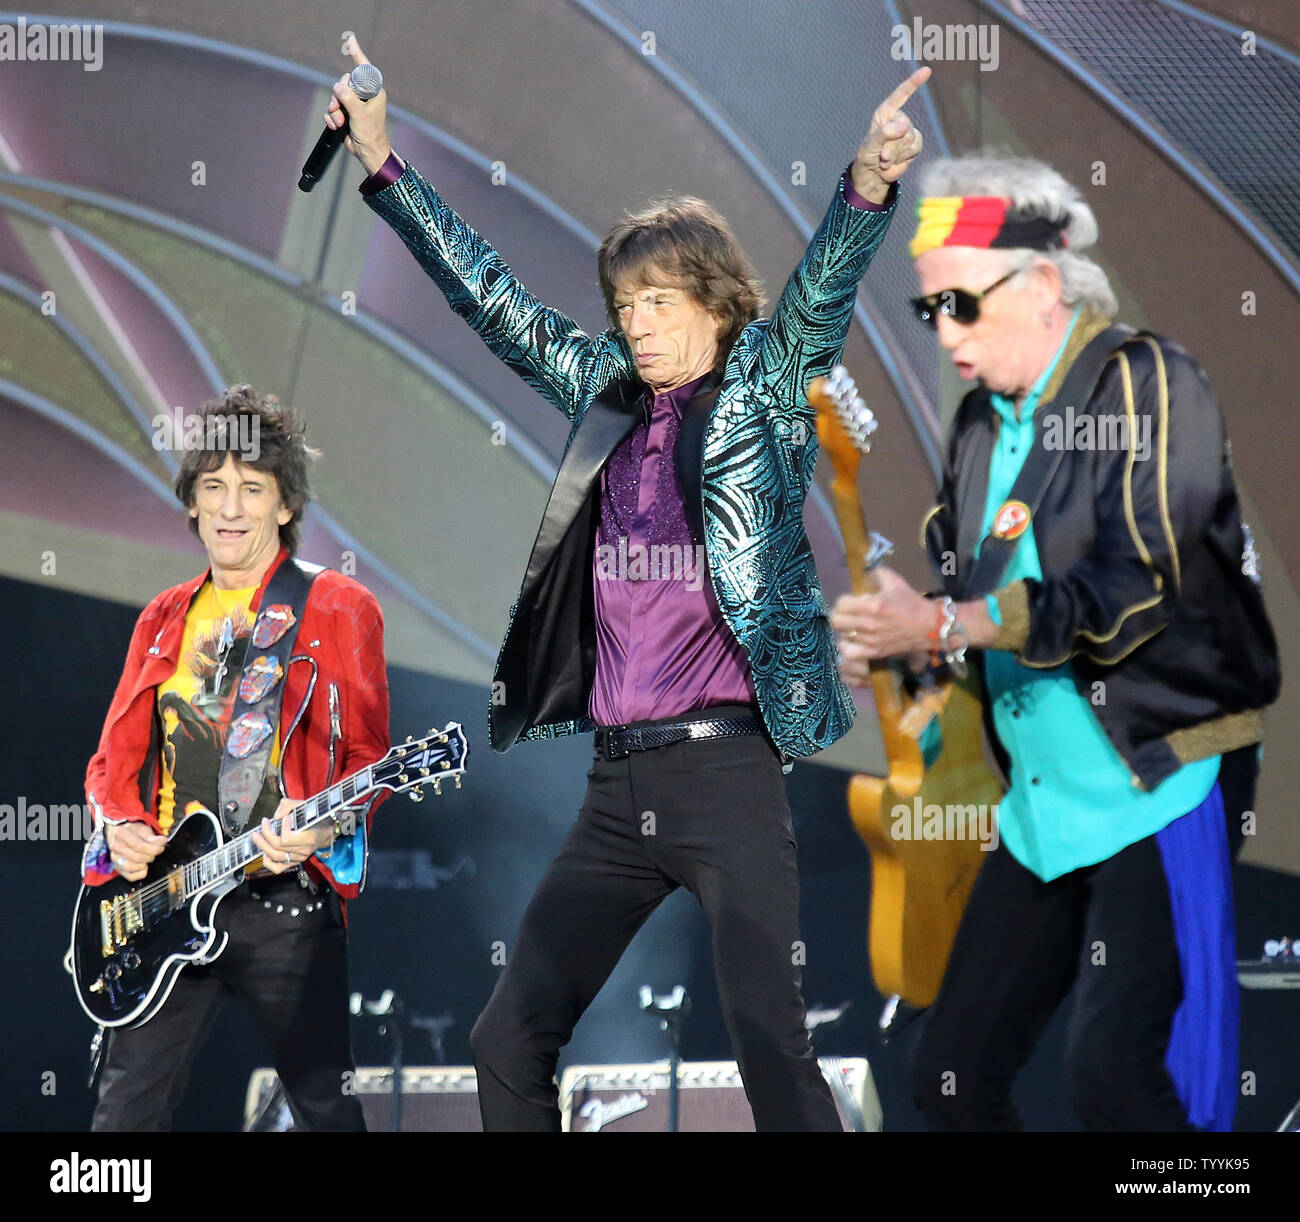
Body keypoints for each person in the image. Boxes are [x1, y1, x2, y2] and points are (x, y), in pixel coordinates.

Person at [326, 38, 928, 1130]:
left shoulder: (762, 385)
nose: (637, 323)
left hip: (727, 773)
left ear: (711, 300)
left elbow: (822, 293)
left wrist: (870, 182)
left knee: (769, 1050)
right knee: (505, 1038)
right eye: (624, 304)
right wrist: (383, 165)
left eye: (657, 300)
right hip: (615, 790)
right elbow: (494, 302)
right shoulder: (605, 394)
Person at [831, 154, 1281, 1132]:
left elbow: (1140, 585)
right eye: (927, 310)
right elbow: (969, 598)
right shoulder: (981, 428)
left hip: (1162, 779)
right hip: (1044, 804)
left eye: (961, 302)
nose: (943, 330)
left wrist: (945, 621)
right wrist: (905, 644)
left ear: (1040, 283)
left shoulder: (1152, 382)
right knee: (948, 1076)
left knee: (1116, 1079)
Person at [82, 386, 390, 1131]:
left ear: (285, 507)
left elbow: (369, 758)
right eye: (214, 487)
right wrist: (120, 826)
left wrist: (319, 829)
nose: (230, 507)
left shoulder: (340, 605)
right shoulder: (163, 617)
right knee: (121, 1121)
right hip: (164, 904)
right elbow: (110, 764)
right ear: (191, 502)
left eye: (252, 489)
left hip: (285, 900)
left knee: (326, 1112)